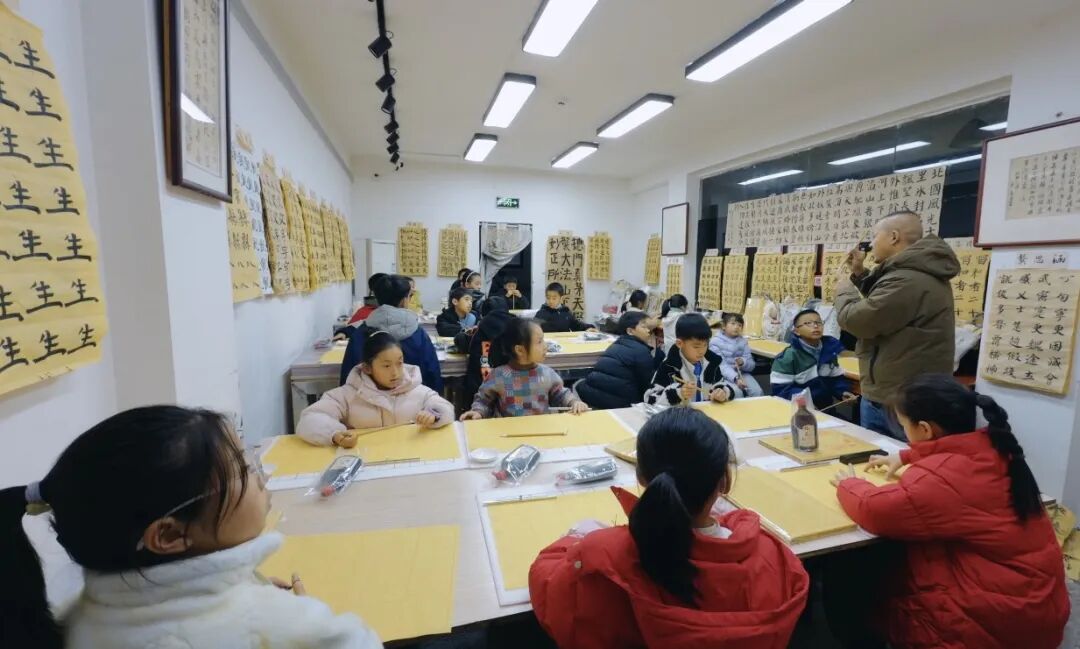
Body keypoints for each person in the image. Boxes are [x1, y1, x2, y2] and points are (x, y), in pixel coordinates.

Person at [0, 406, 381, 649]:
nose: (260, 475)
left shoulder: (75, 620)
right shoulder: (282, 627)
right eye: (242, 470)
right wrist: (299, 611)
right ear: (169, 535)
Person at [529, 408, 809, 649]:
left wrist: (575, 540)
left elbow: (549, 588)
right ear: (724, 480)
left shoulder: (603, 558)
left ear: (640, 476)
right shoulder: (774, 557)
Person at [830, 375, 1069, 649]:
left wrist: (850, 484)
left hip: (995, 624)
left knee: (851, 571)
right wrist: (907, 456)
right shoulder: (996, 447)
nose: (904, 434)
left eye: (904, 426)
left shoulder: (940, 480)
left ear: (924, 429)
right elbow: (952, 454)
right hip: (1035, 605)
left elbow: (874, 511)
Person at [834, 210, 959, 438]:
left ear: (893, 237)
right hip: (892, 394)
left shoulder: (908, 279)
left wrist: (844, 289)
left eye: (875, 236)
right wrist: (859, 273)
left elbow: (856, 321)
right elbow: (883, 303)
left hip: (903, 402)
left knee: (892, 458)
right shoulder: (911, 273)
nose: (871, 244)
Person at [298, 329, 454, 447]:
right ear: (367, 368)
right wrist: (335, 434)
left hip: (407, 458)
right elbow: (310, 419)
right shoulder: (348, 395)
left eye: (399, 363)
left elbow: (444, 407)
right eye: (386, 366)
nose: (395, 372)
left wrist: (433, 415)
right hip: (366, 461)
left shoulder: (415, 389)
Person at [460, 317, 589, 419]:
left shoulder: (547, 373)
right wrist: (478, 412)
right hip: (507, 434)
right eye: (539, 341)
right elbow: (483, 400)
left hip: (540, 432)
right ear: (520, 350)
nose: (546, 346)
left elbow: (560, 394)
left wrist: (574, 402)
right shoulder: (499, 375)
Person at [340, 274, 442, 392]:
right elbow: (432, 372)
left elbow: (348, 375)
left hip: (368, 398)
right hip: (412, 398)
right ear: (404, 300)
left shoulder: (361, 332)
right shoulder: (418, 333)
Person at [770, 308, 854, 407]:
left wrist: (842, 391)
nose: (815, 326)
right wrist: (806, 403)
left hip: (825, 407)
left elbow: (835, 377)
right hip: (798, 409)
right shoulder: (788, 357)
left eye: (818, 322)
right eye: (808, 323)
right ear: (797, 331)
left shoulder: (829, 350)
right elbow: (780, 390)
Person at [646, 313, 734, 407]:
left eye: (705, 345)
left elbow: (721, 384)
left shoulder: (711, 362)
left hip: (706, 413)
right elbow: (650, 399)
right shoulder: (669, 366)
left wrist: (722, 392)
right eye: (696, 347)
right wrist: (678, 393)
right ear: (680, 344)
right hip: (681, 414)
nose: (702, 351)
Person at [576, 311, 657, 409]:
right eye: (644, 327)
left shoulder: (615, 344)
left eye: (648, 328)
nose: (648, 331)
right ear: (630, 331)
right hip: (618, 403)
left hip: (590, 395)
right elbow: (646, 385)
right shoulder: (641, 351)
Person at [455, 295, 514, 406]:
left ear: (483, 314)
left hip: (480, 391)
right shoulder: (517, 327)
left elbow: (461, 342)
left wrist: (468, 333)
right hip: (512, 389)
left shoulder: (481, 329)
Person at [708, 313, 763, 398]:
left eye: (739, 325)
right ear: (724, 326)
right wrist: (736, 378)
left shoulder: (743, 341)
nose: (736, 327)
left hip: (742, 373)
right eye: (733, 323)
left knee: (757, 392)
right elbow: (721, 366)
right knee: (737, 394)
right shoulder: (715, 342)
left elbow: (751, 365)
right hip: (723, 375)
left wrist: (743, 362)